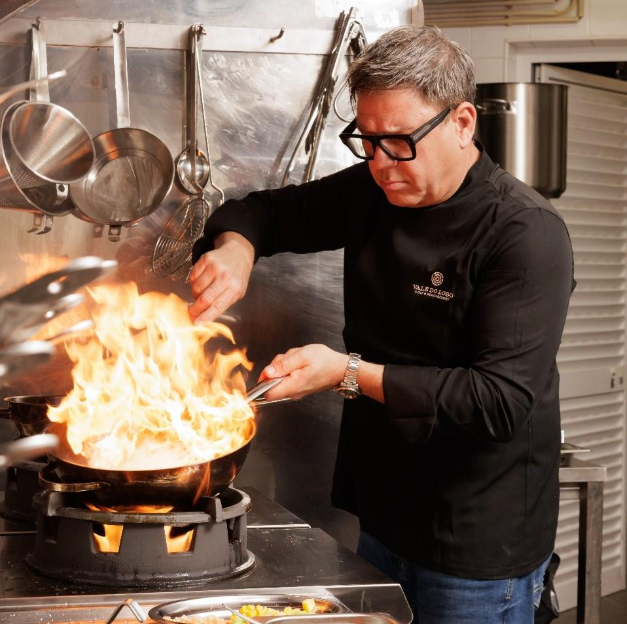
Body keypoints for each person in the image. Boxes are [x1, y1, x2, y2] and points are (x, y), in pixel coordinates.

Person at [188, 25, 575, 624]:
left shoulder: (524, 232)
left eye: (398, 142)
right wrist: (238, 249)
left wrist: (344, 372)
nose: (380, 163)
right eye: (365, 142)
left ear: (463, 122)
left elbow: (498, 401)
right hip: (385, 511)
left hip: (474, 538)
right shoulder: (376, 189)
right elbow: (261, 212)